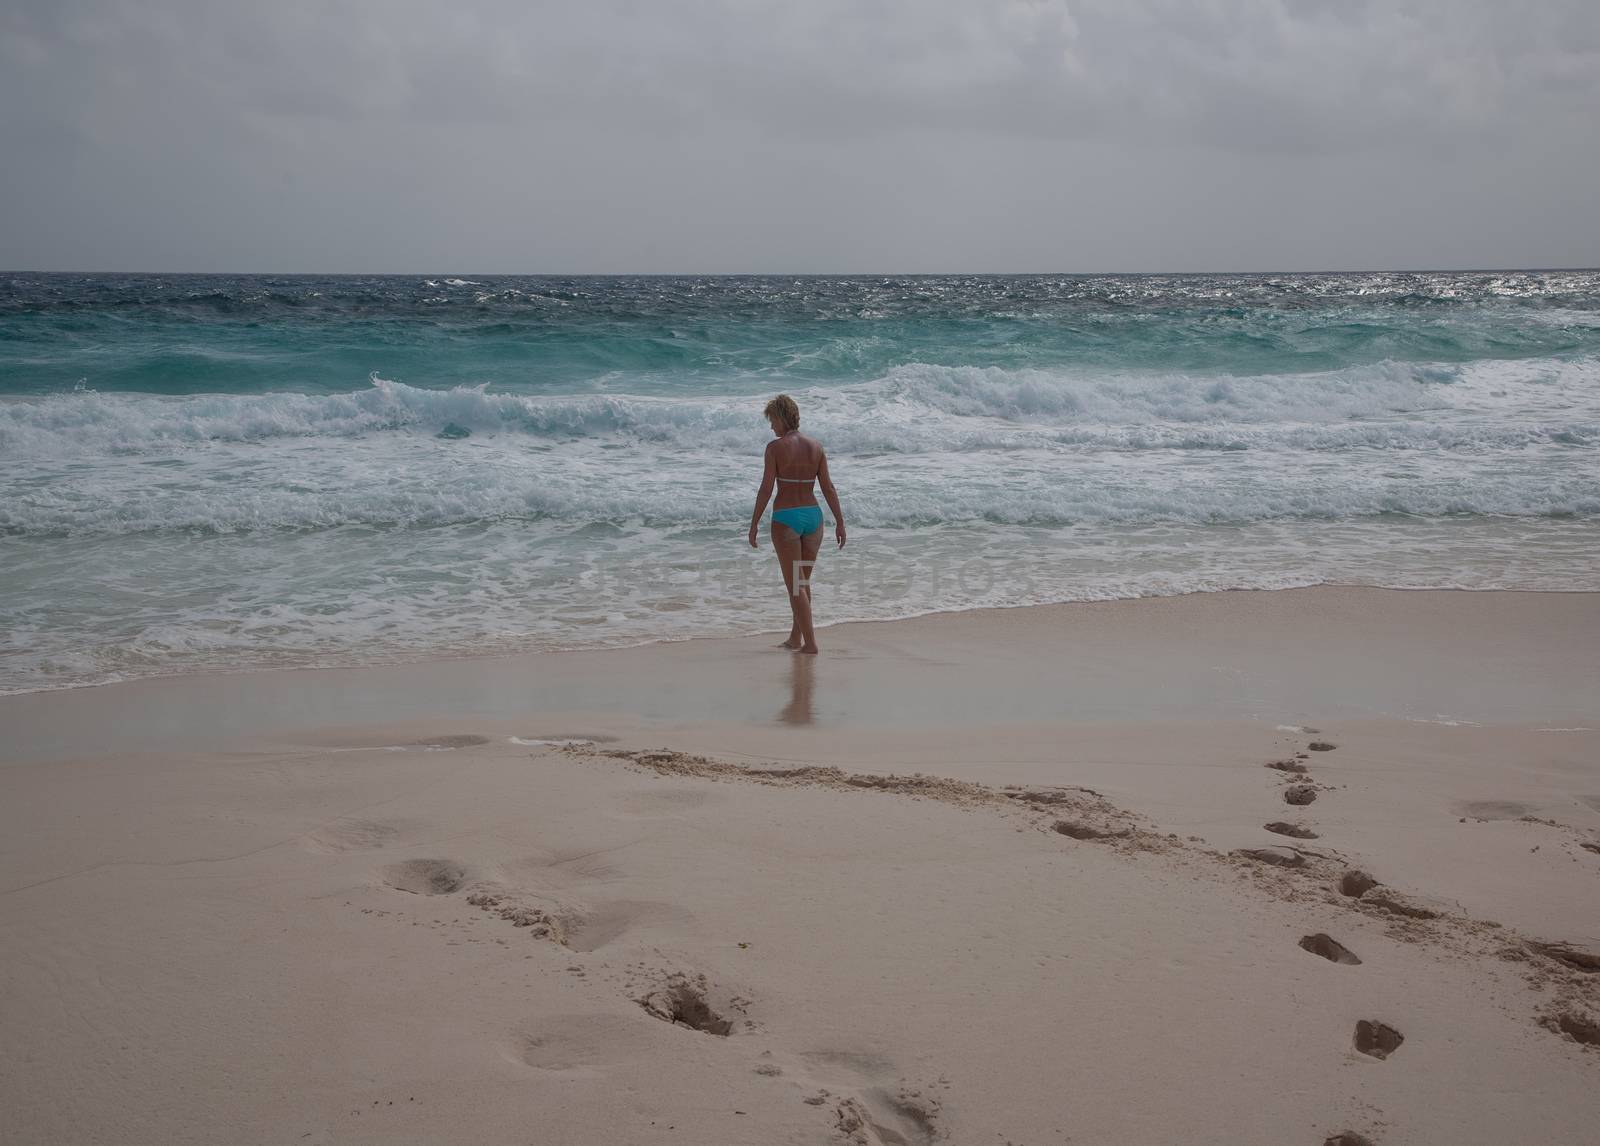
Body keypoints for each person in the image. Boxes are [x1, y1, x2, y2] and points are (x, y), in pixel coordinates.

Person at [746, 394, 845, 653]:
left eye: (772, 421)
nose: (771, 427)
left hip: (787, 519)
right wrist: (840, 523)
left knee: (796, 586)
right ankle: (795, 638)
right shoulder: (816, 446)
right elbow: (829, 488)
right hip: (814, 518)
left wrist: (754, 523)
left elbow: (766, 489)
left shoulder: (775, 448)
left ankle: (811, 644)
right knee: (801, 584)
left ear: (781, 417)